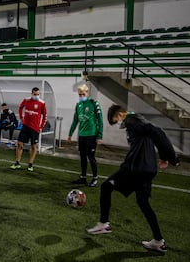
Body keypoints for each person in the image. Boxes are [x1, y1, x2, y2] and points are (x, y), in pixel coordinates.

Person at [87, 104, 180, 253]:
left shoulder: (132, 120)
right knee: (143, 203)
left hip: (136, 168)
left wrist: (172, 157)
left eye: (116, 120)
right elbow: (154, 135)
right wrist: (164, 157)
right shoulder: (139, 121)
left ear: (121, 114)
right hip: (147, 169)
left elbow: (158, 132)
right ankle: (158, 241)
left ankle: (103, 224)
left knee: (106, 186)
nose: (119, 123)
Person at [67, 84, 103, 187]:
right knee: (82, 156)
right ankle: (83, 177)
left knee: (91, 157)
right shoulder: (78, 105)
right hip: (82, 135)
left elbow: (100, 120)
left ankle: (95, 178)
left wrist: (99, 135)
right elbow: (75, 121)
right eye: (80, 94)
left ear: (88, 93)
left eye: (83, 94)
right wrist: (70, 134)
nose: (82, 95)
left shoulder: (94, 103)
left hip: (92, 135)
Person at [10, 87, 47, 172]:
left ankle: (30, 164)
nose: (36, 96)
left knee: (34, 146)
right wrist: (21, 118)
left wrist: (41, 127)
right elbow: (20, 108)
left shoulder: (42, 103)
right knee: (19, 144)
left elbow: (45, 116)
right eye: (35, 94)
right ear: (31, 94)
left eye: (38, 94)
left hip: (35, 128)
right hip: (25, 126)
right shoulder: (26, 100)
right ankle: (17, 163)